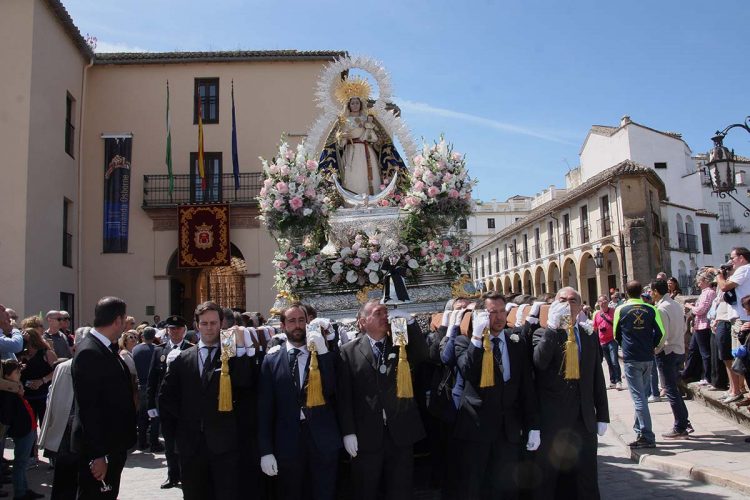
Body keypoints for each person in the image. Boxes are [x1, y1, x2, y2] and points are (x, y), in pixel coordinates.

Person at [159, 301, 255, 500]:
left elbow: (246, 387)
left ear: (221, 324)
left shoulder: (232, 355)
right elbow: (167, 399)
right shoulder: (182, 359)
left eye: (213, 323)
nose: (209, 328)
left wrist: (241, 350)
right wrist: (180, 432)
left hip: (226, 446)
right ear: (196, 325)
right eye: (204, 323)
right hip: (191, 446)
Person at [337, 300, 428, 500]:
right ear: (362, 322)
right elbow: (345, 397)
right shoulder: (348, 351)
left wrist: (411, 323)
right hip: (366, 435)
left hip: (400, 432)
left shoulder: (400, 343)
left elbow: (422, 354)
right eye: (378, 313)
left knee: (401, 489)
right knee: (365, 489)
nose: (385, 316)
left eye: (386, 312)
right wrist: (348, 432)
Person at [453, 292, 540, 499]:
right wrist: (477, 337)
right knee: (476, 486)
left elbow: (526, 387)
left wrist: (533, 425)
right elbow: (467, 371)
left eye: (502, 311)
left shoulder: (516, 340)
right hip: (477, 428)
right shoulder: (464, 342)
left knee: (507, 486)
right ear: (482, 314)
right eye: (493, 312)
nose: (499, 317)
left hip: (508, 429)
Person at [258, 303, 341, 500]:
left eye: (301, 320)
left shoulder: (323, 354)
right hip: (287, 443)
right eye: (292, 321)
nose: (297, 326)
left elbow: (334, 390)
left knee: (324, 493)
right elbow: (264, 409)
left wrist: (323, 354)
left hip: (323, 441)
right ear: (283, 325)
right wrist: (266, 451)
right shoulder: (271, 360)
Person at [532, 287, 609, 499]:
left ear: (580, 306)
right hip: (553, 419)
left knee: (586, 478)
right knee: (549, 478)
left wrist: (602, 414)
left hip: (583, 418)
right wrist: (552, 328)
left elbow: (596, 376)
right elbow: (540, 363)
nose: (567, 304)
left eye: (573, 300)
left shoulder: (588, 334)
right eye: (562, 300)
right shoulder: (542, 333)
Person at [71, 296, 137, 499]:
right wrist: (98, 455)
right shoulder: (90, 352)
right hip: (101, 450)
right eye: (124, 319)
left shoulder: (106, 347)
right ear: (117, 320)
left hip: (113, 445)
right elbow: (89, 408)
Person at [39, 327, 90, 500]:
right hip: (68, 433)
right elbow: (54, 400)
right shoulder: (64, 368)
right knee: (65, 482)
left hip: (79, 433)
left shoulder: (64, 367)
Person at [614, 281, 665, 449]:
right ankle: (638, 429)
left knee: (639, 398)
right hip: (647, 356)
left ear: (627, 293)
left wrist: (625, 345)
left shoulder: (620, 309)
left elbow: (616, 334)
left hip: (631, 357)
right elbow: (661, 333)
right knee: (642, 395)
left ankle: (647, 435)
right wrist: (654, 347)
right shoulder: (651, 309)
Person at [147, 315, 192, 486]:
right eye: (171, 329)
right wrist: (151, 404)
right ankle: (173, 475)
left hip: (184, 404)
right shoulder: (159, 350)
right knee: (169, 441)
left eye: (178, 328)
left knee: (185, 441)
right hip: (165, 405)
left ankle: (186, 474)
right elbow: (152, 380)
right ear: (167, 330)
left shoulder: (190, 348)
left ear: (184, 330)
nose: (174, 332)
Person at [650, 280, 693, 438]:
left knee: (671, 390)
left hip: (667, 352)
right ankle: (684, 421)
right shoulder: (675, 304)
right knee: (675, 388)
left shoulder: (661, 308)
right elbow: (683, 328)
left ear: (655, 291)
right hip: (679, 350)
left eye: (651, 291)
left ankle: (680, 426)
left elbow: (663, 334)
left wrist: (656, 350)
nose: (650, 294)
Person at [0, 359, 43, 500]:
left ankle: (24, 489)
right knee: (20, 464)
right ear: (6, 376)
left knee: (22, 464)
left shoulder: (14, 389)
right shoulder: (8, 393)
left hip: (28, 430)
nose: (19, 374)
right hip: (22, 431)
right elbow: (7, 418)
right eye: (16, 372)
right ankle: (20, 493)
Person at [683, 271, 717, 386]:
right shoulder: (704, 293)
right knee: (693, 350)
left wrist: (690, 306)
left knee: (705, 353)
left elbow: (701, 310)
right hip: (698, 325)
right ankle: (689, 373)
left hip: (704, 325)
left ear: (706, 281)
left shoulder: (710, 293)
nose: (698, 284)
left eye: (700, 281)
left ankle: (707, 376)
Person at [132, 327, 160, 452]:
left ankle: (142, 442)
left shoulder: (135, 349)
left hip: (141, 385)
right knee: (154, 415)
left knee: (142, 415)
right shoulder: (156, 349)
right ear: (153, 336)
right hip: (153, 386)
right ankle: (154, 442)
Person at [593, 295, 621, 390]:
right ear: (598, 303)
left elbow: (618, 324)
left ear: (608, 302)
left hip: (612, 340)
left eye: (605, 301)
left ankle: (618, 381)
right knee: (609, 362)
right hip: (602, 341)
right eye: (601, 302)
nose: (603, 303)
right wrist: (595, 341)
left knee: (614, 361)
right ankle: (612, 381)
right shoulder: (597, 314)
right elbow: (595, 328)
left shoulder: (613, 311)